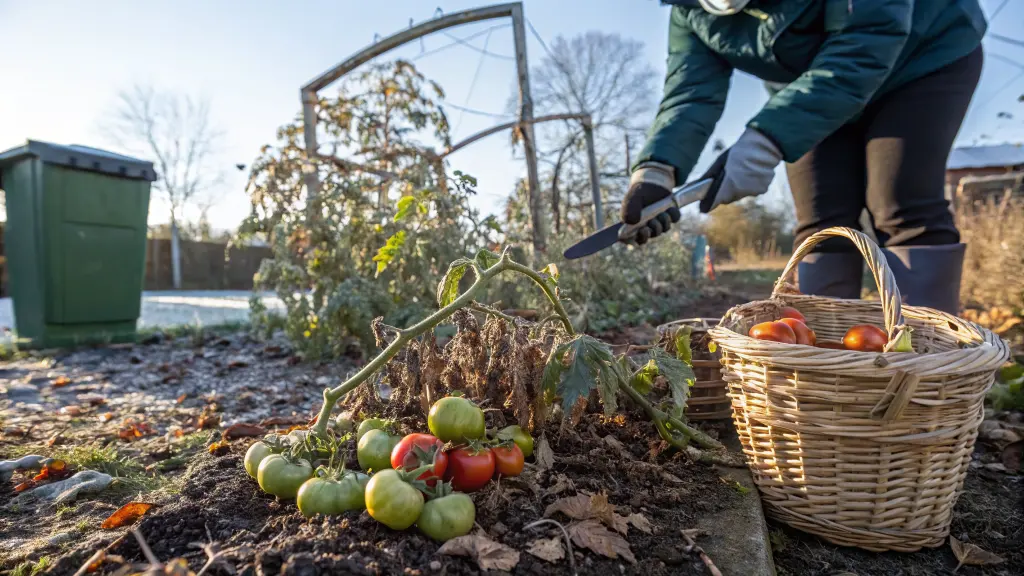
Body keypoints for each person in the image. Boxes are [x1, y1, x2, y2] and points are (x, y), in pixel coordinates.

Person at [623, 0, 986, 314]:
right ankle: (822, 359)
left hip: (920, 59)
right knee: (821, 218)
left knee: (900, 204)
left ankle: (931, 360)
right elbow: (690, 94)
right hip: (808, 92)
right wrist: (656, 171)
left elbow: (867, 43)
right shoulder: (690, 12)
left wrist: (765, 142)